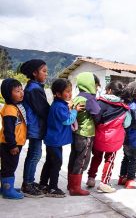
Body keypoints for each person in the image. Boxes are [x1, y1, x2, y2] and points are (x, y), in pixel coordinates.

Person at [39, 79, 84, 198]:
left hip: (53, 140)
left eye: (70, 91)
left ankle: (43, 184)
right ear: (58, 94)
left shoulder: (59, 104)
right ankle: (52, 188)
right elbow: (67, 120)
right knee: (56, 164)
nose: (70, 94)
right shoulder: (59, 107)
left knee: (49, 162)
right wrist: (74, 111)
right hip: (55, 140)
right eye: (67, 91)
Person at [87, 81, 131, 193]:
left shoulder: (99, 103)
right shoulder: (124, 108)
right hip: (114, 140)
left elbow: (95, 118)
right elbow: (127, 123)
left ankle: (91, 178)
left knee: (96, 157)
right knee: (109, 160)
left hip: (99, 137)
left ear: (109, 90)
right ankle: (104, 182)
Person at [19, 59, 49, 198]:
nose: (46, 74)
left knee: (34, 154)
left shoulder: (34, 87)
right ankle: (27, 184)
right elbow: (43, 110)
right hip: (35, 126)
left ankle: (28, 181)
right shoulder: (34, 89)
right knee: (35, 155)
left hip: (35, 126)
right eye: (44, 71)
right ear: (34, 73)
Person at [68, 72, 101, 196]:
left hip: (76, 133)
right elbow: (97, 114)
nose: (97, 88)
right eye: (96, 85)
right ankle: (75, 188)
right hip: (86, 134)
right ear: (90, 84)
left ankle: (70, 185)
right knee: (82, 160)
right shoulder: (89, 98)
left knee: (74, 157)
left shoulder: (77, 97)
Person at [0, 78, 26, 199]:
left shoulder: (14, 107)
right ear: (8, 94)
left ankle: (6, 186)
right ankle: (7, 190)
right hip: (9, 144)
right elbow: (8, 130)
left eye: (21, 90)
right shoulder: (10, 109)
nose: (21, 93)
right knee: (10, 166)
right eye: (17, 91)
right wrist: (12, 145)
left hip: (14, 143)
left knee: (8, 166)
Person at [119, 82, 136, 189]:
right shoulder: (135, 107)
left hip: (127, 137)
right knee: (134, 159)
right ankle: (131, 180)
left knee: (126, 157)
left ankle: (123, 177)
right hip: (133, 137)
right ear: (135, 93)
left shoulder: (132, 104)